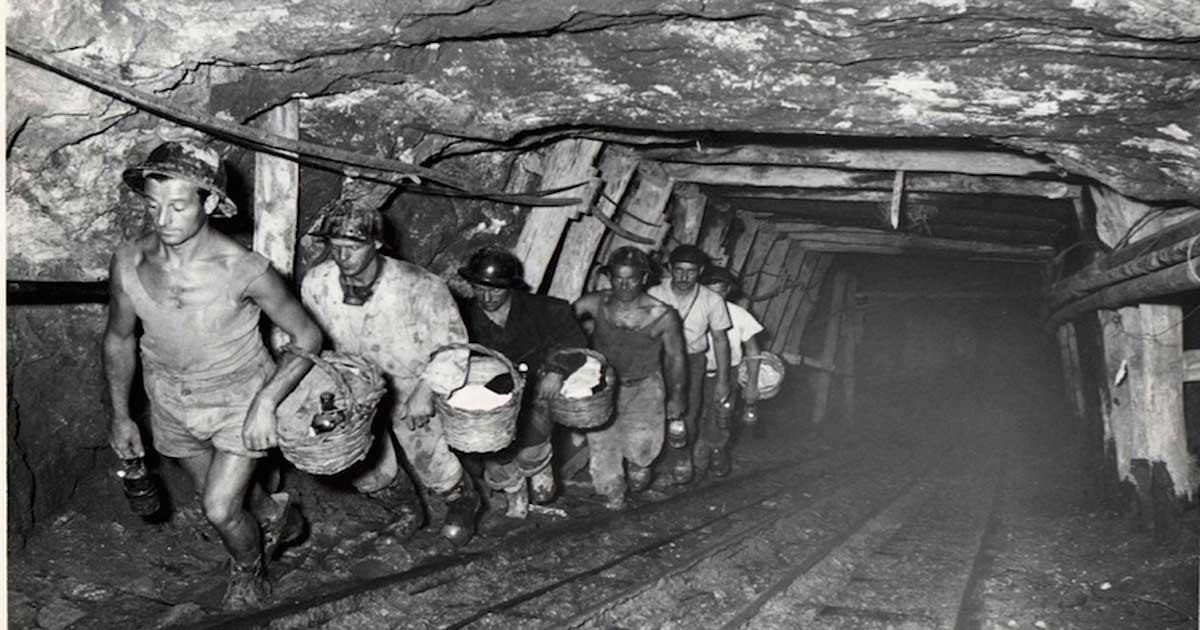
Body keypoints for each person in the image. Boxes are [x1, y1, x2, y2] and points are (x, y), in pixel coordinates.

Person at [103, 140, 321, 610]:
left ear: (210, 203)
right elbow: (119, 339)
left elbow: (308, 337)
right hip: (169, 399)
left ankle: (249, 571)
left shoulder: (244, 269)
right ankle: (271, 511)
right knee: (226, 500)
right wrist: (122, 415)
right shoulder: (128, 262)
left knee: (219, 509)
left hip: (237, 399)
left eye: (178, 207)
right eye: (154, 205)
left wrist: (267, 402)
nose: (163, 220)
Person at [299, 201, 481, 546]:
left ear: (377, 244)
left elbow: (453, 345)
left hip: (409, 383)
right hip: (351, 386)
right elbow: (309, 337)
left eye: (352, 248)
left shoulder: (420, 286)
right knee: (363, 466)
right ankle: (406, 509)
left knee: (430, 458)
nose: (342, 257)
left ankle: (461, 501)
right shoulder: (318, 283)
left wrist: (427, 390)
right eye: (335, 248)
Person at [458, 248, 589, 518]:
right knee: (496, 450)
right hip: (491, 394)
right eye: (479, 288)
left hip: (534, 387)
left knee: (533, 442)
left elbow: (573, 339)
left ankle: (538, 464)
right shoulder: (463, 316)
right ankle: (514, 491)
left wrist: (557, 370)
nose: (486, 297)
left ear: (510, 287)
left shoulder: (540, 308)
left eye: (495, 290)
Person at [574, 247, 687, 509]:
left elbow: (676, 357)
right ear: (609, 277)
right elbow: (562, 320)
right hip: (603, 388)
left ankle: (638, 468)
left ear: (644, 278)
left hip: (644, 386)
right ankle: (612, 500)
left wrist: (677, 396)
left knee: (641, 456)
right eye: (617, 278)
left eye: (632, 278)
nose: (624, 285)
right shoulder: (596, 302)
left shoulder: (662, 315)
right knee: (603, 448)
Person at [646, 244, 732, 485]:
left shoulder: (712, 300)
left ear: (701, 271)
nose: (684, 277)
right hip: (657, 358)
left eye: (691, 271)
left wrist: (724, 381)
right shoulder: (654, 294)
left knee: (687, 413)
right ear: (670, 269)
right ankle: (654, 467)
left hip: (692, 360)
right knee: (654, 412)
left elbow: (720, 340)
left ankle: (680, 461)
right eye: (679, 270)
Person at [697, 266, 763, 476]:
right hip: (695, 372)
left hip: (726, 374)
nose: (715, 297)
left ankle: (718, 451)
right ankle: (695, 459)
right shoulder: (691, 313)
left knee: (721, 416)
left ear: (727, 291)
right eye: (709, 291)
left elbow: (752, 350)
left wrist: (751, 385)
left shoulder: (739, 315)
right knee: (693, 415)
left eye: (720, 291)